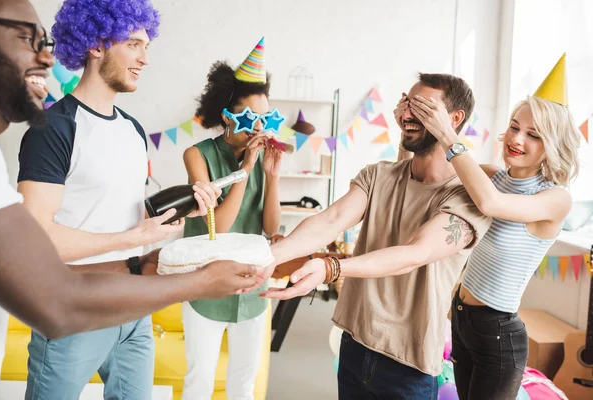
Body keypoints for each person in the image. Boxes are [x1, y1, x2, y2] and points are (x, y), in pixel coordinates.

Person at [0, 1, 259, 397]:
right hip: (74, 308)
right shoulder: (54, 128)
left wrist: (191, 203)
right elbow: (38, 235)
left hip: (133, 306)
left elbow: (139, 215)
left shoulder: (133, 130)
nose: (144, 58)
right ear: (97, 43)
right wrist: (130, 240)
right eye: (135, 44)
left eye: (146, 45)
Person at [255, 73, 491, 399]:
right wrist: (265, 258)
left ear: (454, 119)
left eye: (423, 107)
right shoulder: (379, 175)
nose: (408, 114)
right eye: (407, 103)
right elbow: (331, 220)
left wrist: (330, 268)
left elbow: (414, 253)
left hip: (408, 363)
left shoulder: (468, 200)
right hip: (355, 344)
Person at [408, 54, 580, 399]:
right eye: (515, 126)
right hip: (460, 319)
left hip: (498, 335)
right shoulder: (492, 177)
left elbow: (491, 204)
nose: (517, 139)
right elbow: (424, 167)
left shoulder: (555, 199)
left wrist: (448, 135)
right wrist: (415, 120)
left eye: (534, 134)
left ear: (552, 146)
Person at [180, 37, 282, 400]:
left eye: (266, 117)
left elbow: (271, 228)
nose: (259, 127)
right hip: (205, 289)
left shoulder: (263, 157)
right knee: (200, 380)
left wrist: (271, 175)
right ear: (227, 116)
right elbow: (218, 227)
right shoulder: (197, 155)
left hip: (252, 289)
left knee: (243, 383)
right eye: (251, 117)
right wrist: (247, 168)